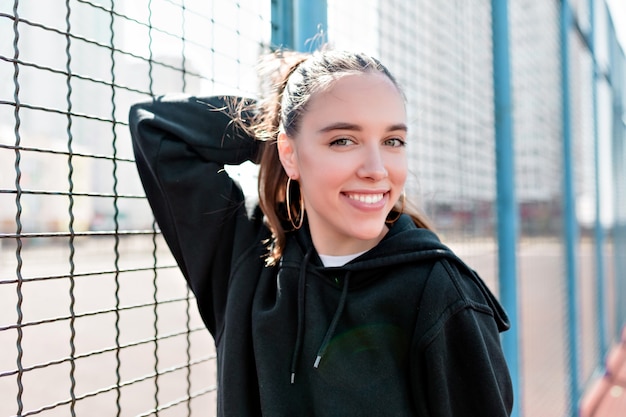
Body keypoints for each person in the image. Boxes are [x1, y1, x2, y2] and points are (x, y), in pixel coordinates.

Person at [129, 49, 513, 416]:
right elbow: (154, 124)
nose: (376, 169)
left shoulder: (443, 297)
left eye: (392, 141)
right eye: (343, 140)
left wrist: (307, 127)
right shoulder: (246, 264)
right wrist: (279, 117)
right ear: (289, 154)